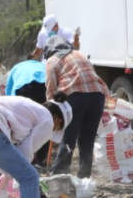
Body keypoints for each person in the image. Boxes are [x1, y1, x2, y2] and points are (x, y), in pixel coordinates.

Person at [45, 36, 111, 179]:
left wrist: (50, 112)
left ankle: (59, 175)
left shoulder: (53, 60)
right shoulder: (80, 55)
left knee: (68, 138)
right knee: (87, 139)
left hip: (75, 97)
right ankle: (84, 177)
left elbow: (51, 90)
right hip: (98, 96)